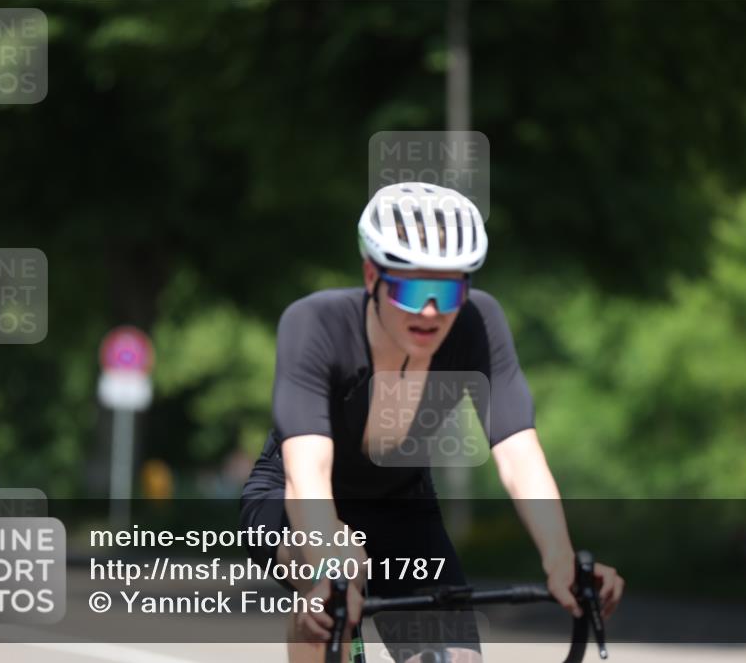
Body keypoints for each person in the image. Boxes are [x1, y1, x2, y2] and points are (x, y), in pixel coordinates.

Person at [240, 182, 624, 663]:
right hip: (294, 500)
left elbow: (519, 453)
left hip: (402, 505)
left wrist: (560, 558)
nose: (429, 310)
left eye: (447, 290)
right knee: (333, 592)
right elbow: (307, 474)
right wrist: (328, 566)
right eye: (409, 288)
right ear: (370, 276)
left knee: (456, 659)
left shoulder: (478, 323)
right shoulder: (315, 324)